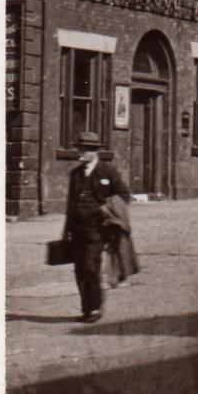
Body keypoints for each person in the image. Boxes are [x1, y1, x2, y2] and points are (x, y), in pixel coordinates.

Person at [62, 131, 132, 322]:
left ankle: (95, 308)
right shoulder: (75, 174)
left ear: (93, 151)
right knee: (79, 271)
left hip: (98, 230)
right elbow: (70, 205)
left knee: (91, 267)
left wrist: (108, 207)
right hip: (77, 229)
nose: (79, 153)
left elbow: (124, 195)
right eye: (79, 149)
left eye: (83, 149)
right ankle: (86, 309)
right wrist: (66, 232)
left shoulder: (107, 171)